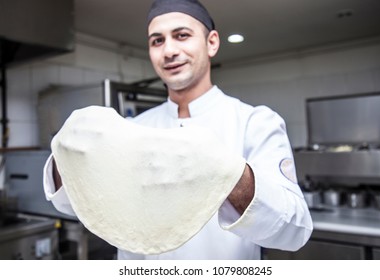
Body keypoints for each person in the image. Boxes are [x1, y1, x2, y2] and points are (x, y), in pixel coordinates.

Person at [43, 0, 313, 260]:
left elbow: (294, 230)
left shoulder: (255, 123)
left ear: (212, 43)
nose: (169, 50)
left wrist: (229, 172)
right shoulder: (134, 129)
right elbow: (79, 205)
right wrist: (65, 159)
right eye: (157, 40)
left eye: (181, 35)